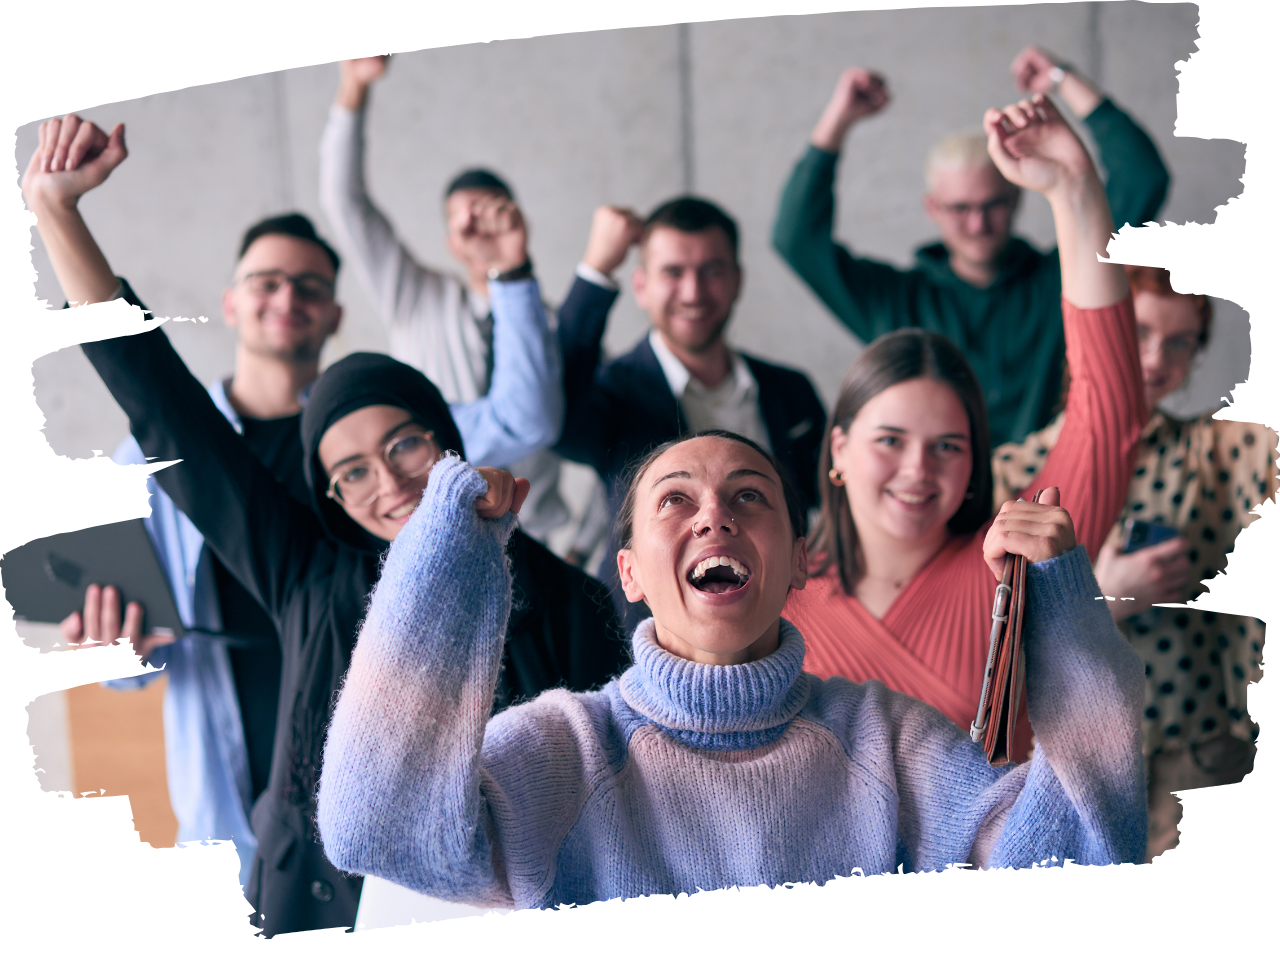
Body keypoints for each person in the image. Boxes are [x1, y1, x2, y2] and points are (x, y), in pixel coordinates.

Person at [24, 114, 627, 937]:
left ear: (449, 444)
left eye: (406, 444)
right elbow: (153, 393)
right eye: (350, 473)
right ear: (331, 498)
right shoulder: (307, 571)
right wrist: (59, 213)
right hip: (314, 901)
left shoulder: (550, 585)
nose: (388, 483)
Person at [315, 429, 1147, 908]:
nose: (714, 512)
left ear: (796, 566)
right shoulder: (567, 748)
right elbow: (377, 829)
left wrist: (1065, 609)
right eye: (675, 499)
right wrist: (448, 552)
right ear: (631, 572)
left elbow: (1082, 850)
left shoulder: (886, 741)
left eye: (750, 496)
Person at [780, 92, 1147, 764]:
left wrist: (1074, 186)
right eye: (890, 441)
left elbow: (1108, 411)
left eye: (948, 446)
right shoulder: (775, 588)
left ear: (975, 461)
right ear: (839, 446)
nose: (919, 469)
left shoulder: (1015, 567)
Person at [991, 264, 1274, 861]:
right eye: (1140, 333)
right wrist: (1107, 597)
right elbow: (987, 647)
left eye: (1179, 342)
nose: (1154, 358)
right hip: (1072, 759)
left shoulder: (1216, 449)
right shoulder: (1015, 472)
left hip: (1193, 746)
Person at [772, 45, 1169, 446]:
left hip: (1054, 494)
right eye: (960, 208)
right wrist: (839, 118)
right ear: (933, 207)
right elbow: (797, 240)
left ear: (1017, 196)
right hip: (935, 501)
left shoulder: (1064, 278)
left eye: (992, 205)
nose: (978, 224)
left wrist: (1062, 80)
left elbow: (1142, 179)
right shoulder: (894, 301)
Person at [319, 55, 572, 544]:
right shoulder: (417, 296)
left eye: (491, 213)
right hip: (432, 532)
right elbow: (344, 205)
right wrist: (353, 87)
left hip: (541, 540)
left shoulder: (552, 322)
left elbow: (570, 430)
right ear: (449, 241)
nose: (477, 228)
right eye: (462, 221)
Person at [555, 197, 827, 626]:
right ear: (641, 286)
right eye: (673, 272)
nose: (693, 291)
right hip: (644, 641)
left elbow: (823, 501)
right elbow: (557, 419)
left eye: (712, 270)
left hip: (783, 633)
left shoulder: (789, 389)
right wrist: (597, 269)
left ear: (737, 280)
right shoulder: (615, 392)